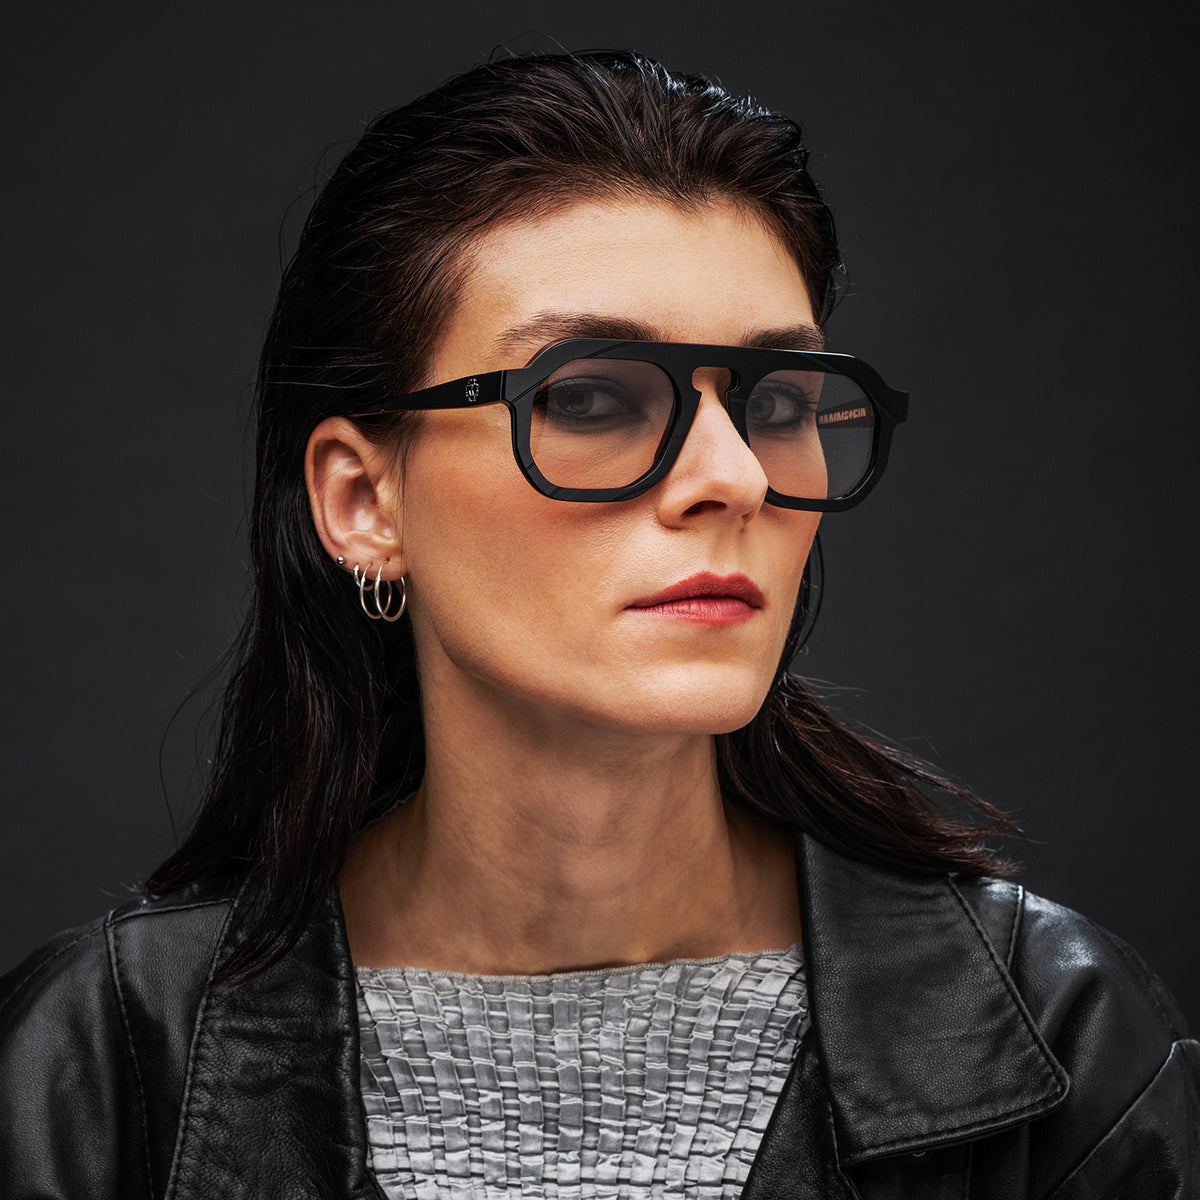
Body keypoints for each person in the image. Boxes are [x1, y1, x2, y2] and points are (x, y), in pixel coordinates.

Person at [1, 48, 1196, 1200]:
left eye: (777, 399)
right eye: (586, 397)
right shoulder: (99, 1061)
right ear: (365, 502)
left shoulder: (1066, 1042)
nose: (731, 475)